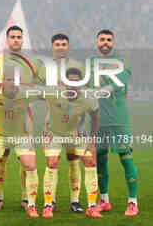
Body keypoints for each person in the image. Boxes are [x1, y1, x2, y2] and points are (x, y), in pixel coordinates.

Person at [0, 25, 44, 210]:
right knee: (0, 158)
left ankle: (26, 198)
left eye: (19, 37)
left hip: (23, 116)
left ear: (23, 39)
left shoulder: (33, 63)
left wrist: (25, 87)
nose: (16, 40)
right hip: (1, 115)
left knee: (26, 161)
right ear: (7, 40)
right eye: (13, 37)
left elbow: (42, 86)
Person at [88, 29, 138, 216]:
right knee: (99, 158)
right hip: (98, 119)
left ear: (113, 42)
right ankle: (104, 200)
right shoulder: (90, 64)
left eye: (109, 39)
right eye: (102, 39)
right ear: (96, 42)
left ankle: (132, 202)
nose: (106, 42)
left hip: (118, 119)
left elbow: (121, 80)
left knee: (126, 156)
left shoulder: (121, 62)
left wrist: (107, 87)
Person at [40, 68, 102, 218]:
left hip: (75, 133)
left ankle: (90, 206)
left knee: (89, 161)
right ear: (63, 83)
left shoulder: (88, 98)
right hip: (53, 133)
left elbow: (95, 118)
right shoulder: (54, 92)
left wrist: (92, 139)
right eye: (70, 81)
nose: (73, 84)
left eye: (76, 81)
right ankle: (48, 204)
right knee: (52, 162)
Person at [0, 66, 40, 218]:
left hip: (21, 136)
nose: (12, 82)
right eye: (8, 79)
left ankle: (31, 205)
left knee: (30, 165)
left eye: (15, 80)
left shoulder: (27, 94)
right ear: (2, 81)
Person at [43, 33, 87, 212]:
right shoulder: (45, 69)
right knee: (52, 162)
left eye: (64, 44)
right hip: (52, 122)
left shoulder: (78, 67)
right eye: (57, 44)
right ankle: (49, 201)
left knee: (73, 160)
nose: (60, 47)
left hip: (75, 123)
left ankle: (75, 201)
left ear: (68, 46)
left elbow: (85, 92)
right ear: (52, 47)